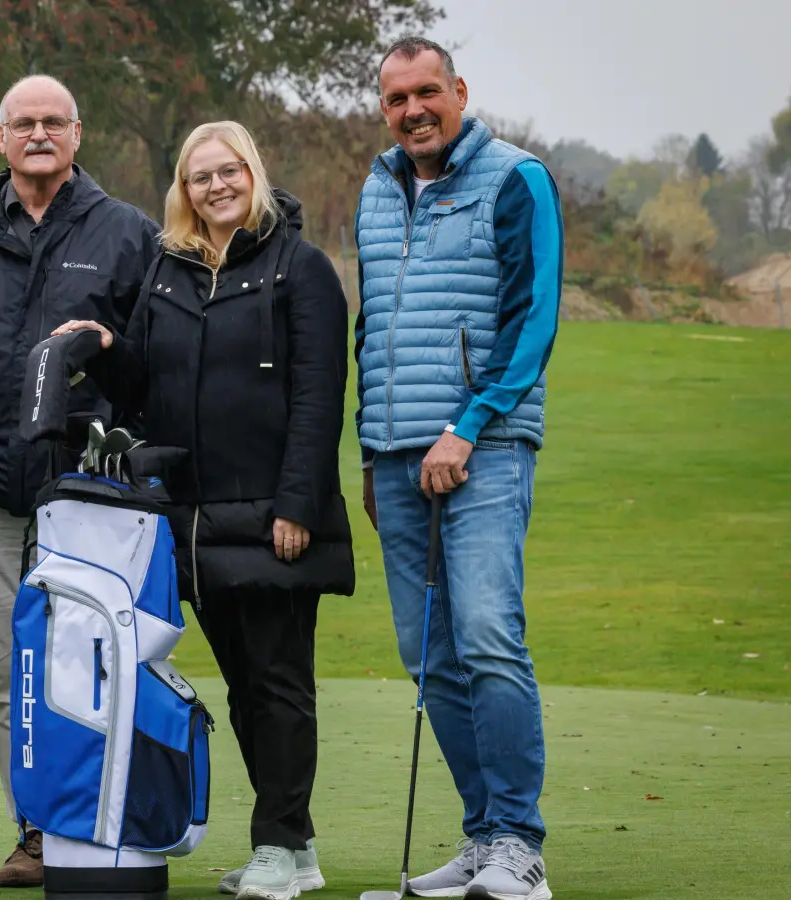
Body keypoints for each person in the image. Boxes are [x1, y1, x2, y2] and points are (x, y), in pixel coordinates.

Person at [53, 121, 354, 900]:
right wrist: (107, 348)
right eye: (199, 177)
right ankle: (296, 848)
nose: (215, 187)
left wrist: (298, 506)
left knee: (281, 684)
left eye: (228, 172)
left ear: (252, 174)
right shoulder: (168, 269)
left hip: (276, 516)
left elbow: (319, 400)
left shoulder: (302, 269)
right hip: (193, 520)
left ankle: (279, 846)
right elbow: (147, 389)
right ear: (182, 189)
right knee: (246, 687)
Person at [0, 74, 161, 887]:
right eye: (25, 122)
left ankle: (90, 826)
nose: (40, 133)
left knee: (88, 664)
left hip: (87, 492)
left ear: (78, 134)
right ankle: (38, 831)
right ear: (0, 136)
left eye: (55, 121)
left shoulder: (127, 232)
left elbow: (154, 363)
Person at [354, 37, 562, 900]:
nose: (413, 111)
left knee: (485, 637)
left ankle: (521, 845)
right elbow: (374, 331)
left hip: (485, 446)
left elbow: (533, 318)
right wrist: (369, 451)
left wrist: (467, 428)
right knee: (428, 655)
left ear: (459, 91)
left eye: (427, 92)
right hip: (396, 453)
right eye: (396, 99)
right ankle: (483, 840)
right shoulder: (374, 189)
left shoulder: (518, 178)